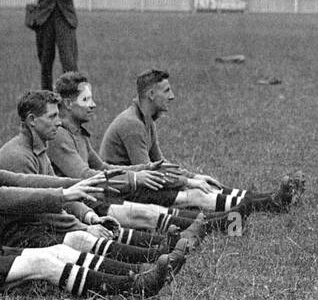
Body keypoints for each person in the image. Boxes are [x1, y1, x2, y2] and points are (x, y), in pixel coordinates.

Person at [0, 96, 182, 298]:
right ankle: (135, 287)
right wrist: (64, 195)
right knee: (44, 262)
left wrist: (77, 185)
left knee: (61, 251)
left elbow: (17, 180)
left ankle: (141, 272)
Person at [0, 90, 202, 271]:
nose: (59, 122)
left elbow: (66, 191)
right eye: (53, 117)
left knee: (104, 223)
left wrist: (90, 216)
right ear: (32, 120)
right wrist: (84, 224)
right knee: (84, 237)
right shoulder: (18, 156)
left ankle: (162, 249)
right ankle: (150, 261)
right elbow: (53, 200)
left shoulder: (40, 147)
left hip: (49, 215)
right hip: (12, 231)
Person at [49, 71, 231, 234]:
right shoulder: (60, 137)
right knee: (149, 212)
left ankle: (232, 217)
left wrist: (146, 168)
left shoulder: (78, 133)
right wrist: (138, 177)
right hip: (88, 202)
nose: (93, 105)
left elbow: (103, 166)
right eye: (86, 100)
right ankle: (229, 221)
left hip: (103, 194)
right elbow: (84, 176)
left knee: (155, 211)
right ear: (68, 104)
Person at [99, 69, 305, 214]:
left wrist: (195, 176)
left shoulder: (145, 118)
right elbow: (151, 178)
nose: (172, 96)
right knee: (197, 194)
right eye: (167, 91)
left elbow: (161, 165)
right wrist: (188, 182)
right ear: (151, 94)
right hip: (127, 194)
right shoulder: (132, 125)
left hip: (141, 187)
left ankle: (273, 198)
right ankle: (271, 203)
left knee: (206, 185)